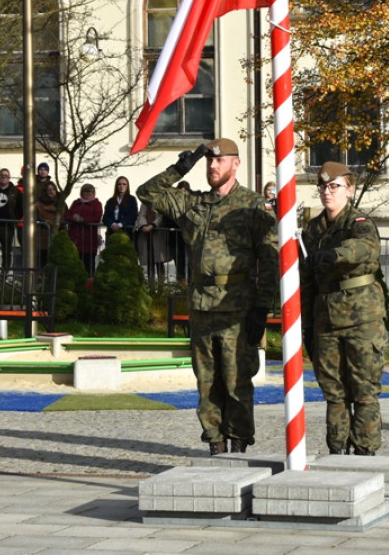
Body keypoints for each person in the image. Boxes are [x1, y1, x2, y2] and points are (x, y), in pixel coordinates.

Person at [137, 139, 278, 455]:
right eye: (208, 162)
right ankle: (215, 441)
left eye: (220, 161)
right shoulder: (193, 204)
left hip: (237, 307)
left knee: (236, 380)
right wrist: (178, 169)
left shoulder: (253, 206)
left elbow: (269, 258)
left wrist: (262, 307)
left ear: (235, 164)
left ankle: (239, 441)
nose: (213, 167)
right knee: (206, 380)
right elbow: (146, 193)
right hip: (202, 304)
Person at [301, 161, 389, 456]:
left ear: (349, 191)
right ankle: (337, 450)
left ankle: (365, 454)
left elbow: (365, 249)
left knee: (364, 391)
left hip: (361, 318)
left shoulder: (359, 223)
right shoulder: (313, 229)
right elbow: (308, 284)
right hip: (325, 318)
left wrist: (334, 255)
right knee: (334, 392)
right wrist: (307, 330)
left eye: (334, 187)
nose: (328, 192)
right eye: (323, 187)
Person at [66, 183, 103, 276]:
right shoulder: (76, 203)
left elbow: (96, 218)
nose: (88, 194)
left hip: (89, 241)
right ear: (82, 192)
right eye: (86, 191)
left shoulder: (97, 204)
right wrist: (73, 217)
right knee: (74, 268)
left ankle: (89, 287)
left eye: (90, 192)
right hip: (75, 239)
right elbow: (67, 215)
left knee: (88, 267)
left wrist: (82, 219)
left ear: (94, 193)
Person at [135, 202, 170, 281]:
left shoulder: (160, 201)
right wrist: (143, 226)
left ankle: (161, 286)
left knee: (159, 261)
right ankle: (151, 286)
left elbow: (161, 216)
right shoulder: (145, 202)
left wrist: (153, 225)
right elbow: (141, 214)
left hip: (158, 234)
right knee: (149, 261)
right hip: (146, 235)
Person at [35, 181, 65, 268]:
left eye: (53, 189)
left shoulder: (61, 203)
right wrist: (46, 222)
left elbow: (65, 215)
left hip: (58, 233)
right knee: (43, 259)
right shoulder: (40, 204)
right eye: (49, 190)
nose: (51, 192)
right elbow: (37, 217)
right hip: (43, 235)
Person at [103, 176, 139, 246]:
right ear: (116, 186)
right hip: (112, 233)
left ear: (127, 186)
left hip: (126, 233)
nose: (121, 186)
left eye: (124, 184)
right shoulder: (110, 201)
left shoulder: (132, 200)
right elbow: (105, 217)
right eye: (119, 184)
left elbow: (133, 215)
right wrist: (112, 224)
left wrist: (120, 224)